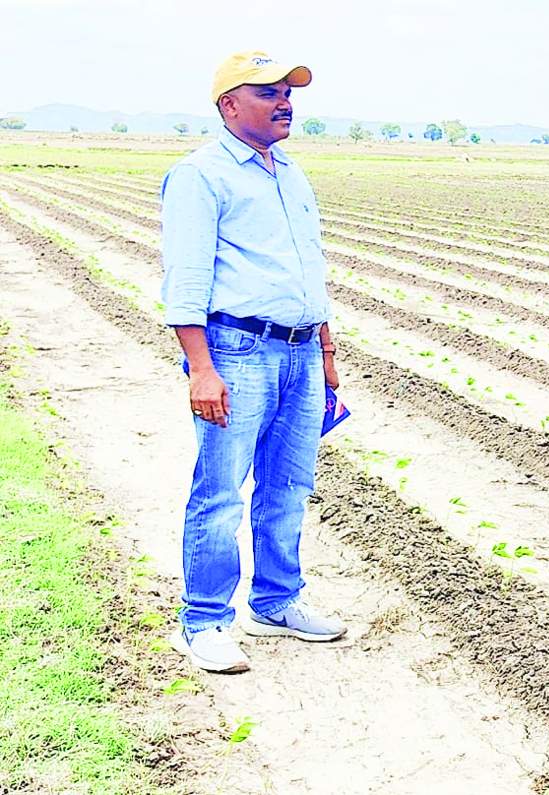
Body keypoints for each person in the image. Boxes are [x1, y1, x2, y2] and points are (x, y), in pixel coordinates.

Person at [160, 51, 346, 674]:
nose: (285, 103)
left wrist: (325, 347)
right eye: (268, 93)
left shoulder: (289, 173)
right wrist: (201, 368)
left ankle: (276, 602)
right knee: (219, 493)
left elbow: (307, 267)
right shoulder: (201, 175)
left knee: (289, 488)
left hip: (299, 350)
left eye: (288, 93)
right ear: (229, 105)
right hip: (237, 351)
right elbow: (186, 279)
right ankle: (205, 620)